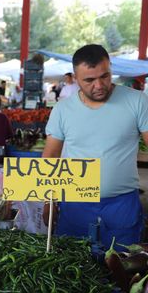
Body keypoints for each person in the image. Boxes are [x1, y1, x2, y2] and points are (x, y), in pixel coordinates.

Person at [43, 44, 148, 248]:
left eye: (105, 76)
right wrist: (49, 201)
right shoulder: (63, 110)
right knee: (74, 270)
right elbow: (50, 157)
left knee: (122, 269)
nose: (99, 85)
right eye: (89, 80)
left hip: (122, 204)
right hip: (74, 204)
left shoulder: (137, 101)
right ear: (75, 78)